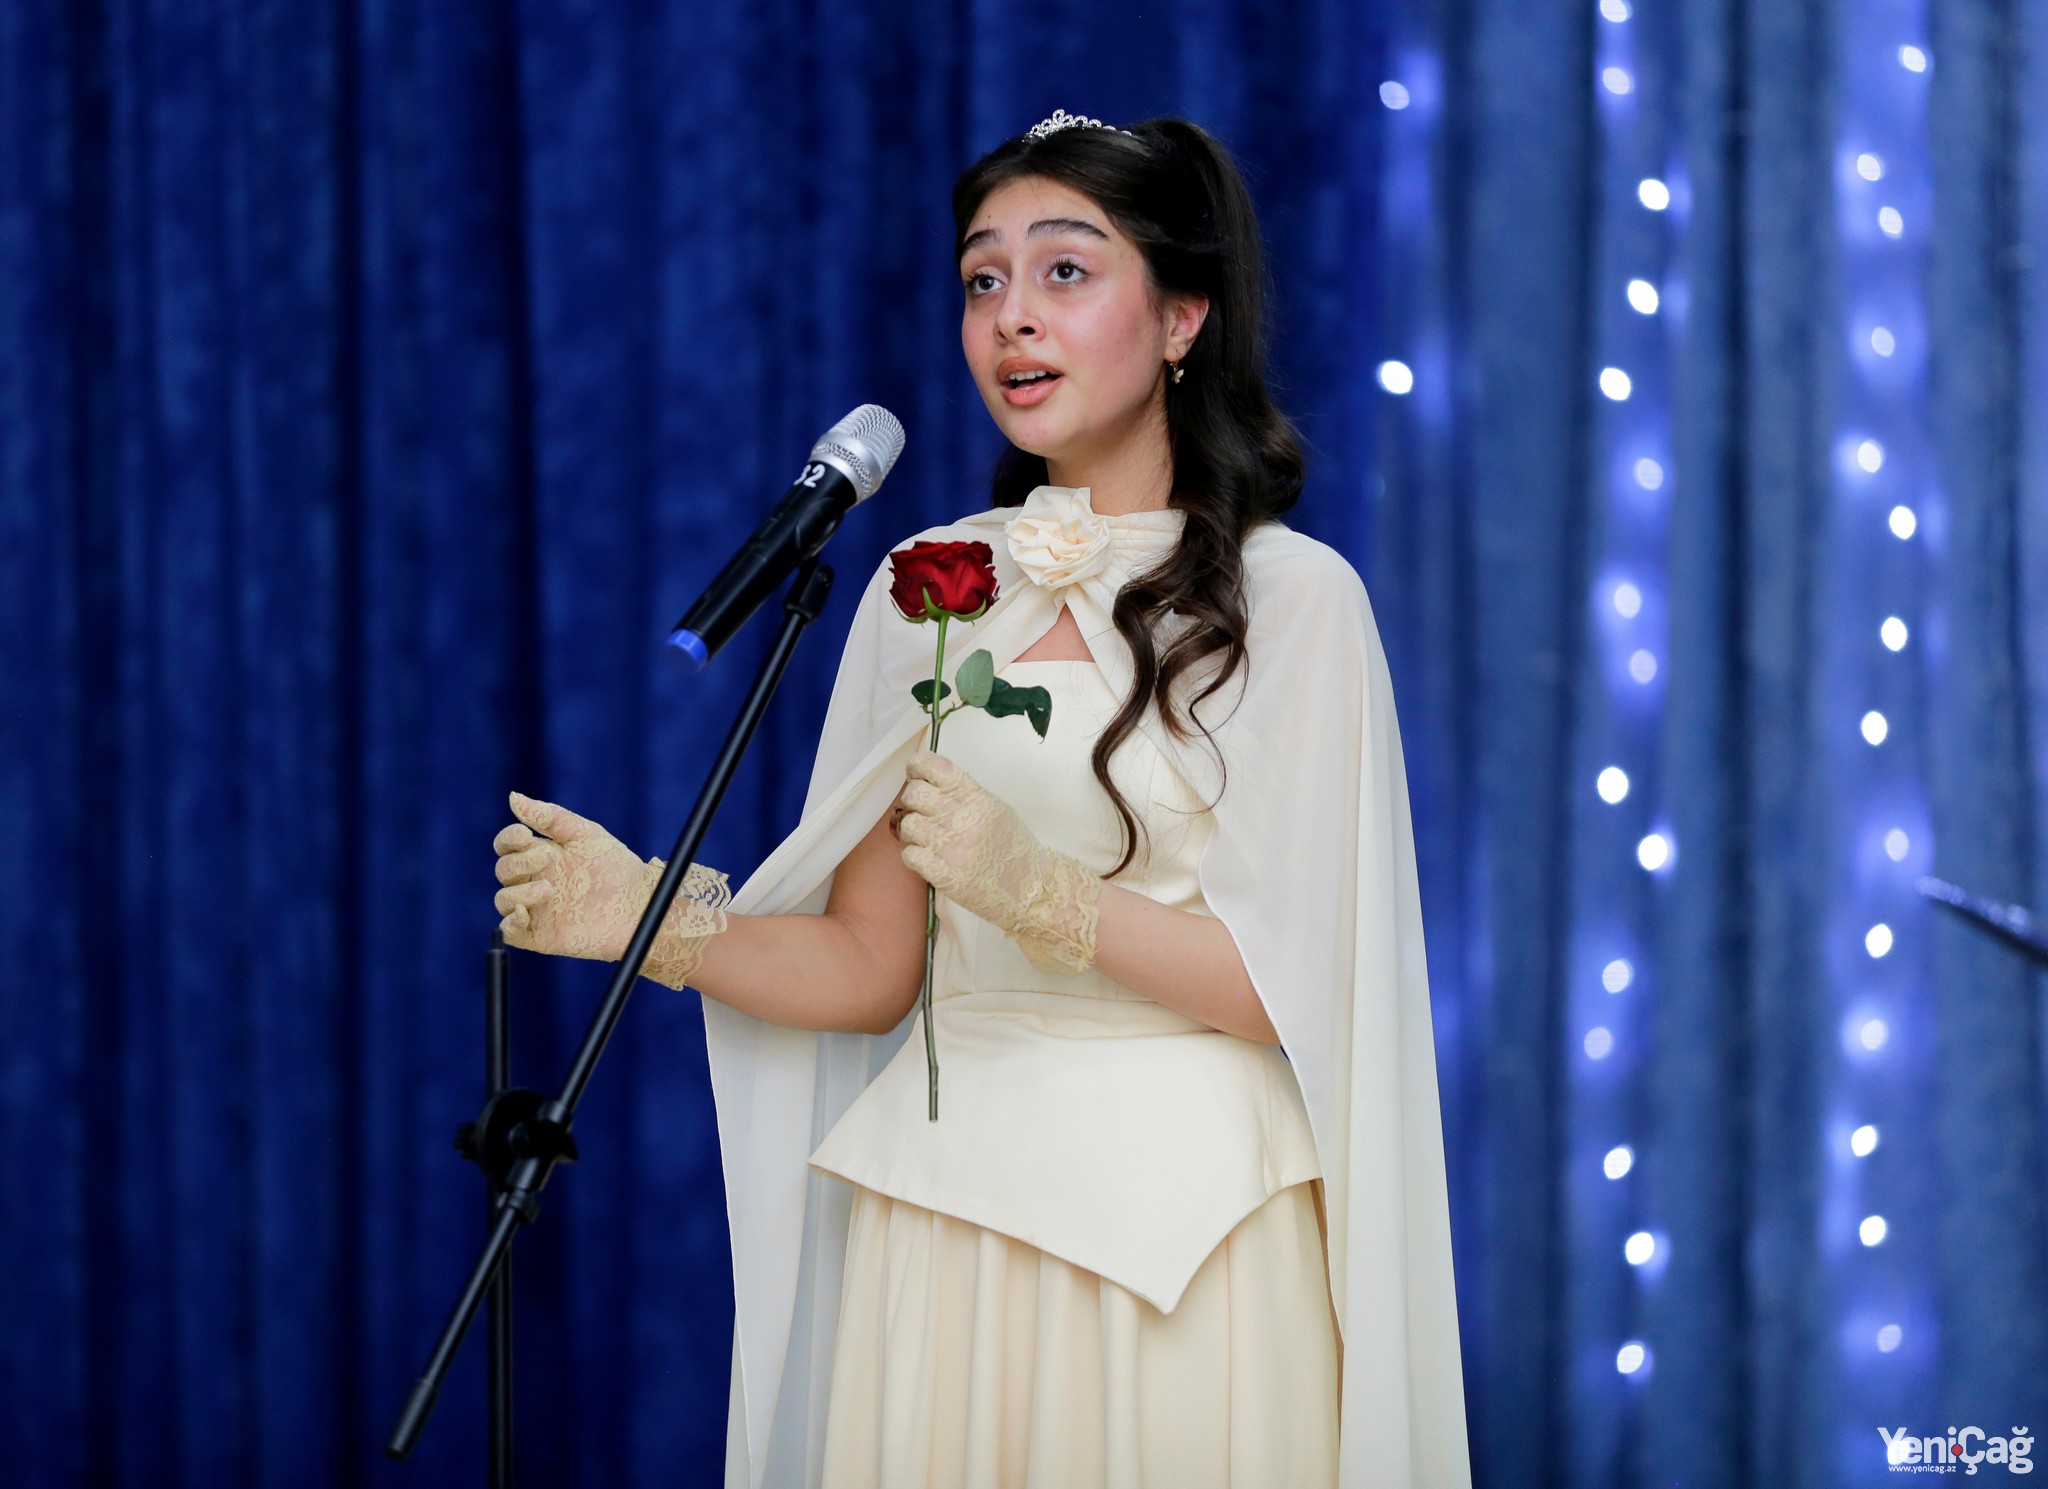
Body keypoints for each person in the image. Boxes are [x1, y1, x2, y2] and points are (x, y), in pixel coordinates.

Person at [491, 112, 1472, 1489]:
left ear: (1182, 316)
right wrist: (654, 921)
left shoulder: (1293, 598)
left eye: (1066, 270)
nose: (1013, 316)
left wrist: (1043, 893)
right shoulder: (928, 584)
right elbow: (871, 965)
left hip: (1184, 1234)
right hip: (944, 1214)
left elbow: (1306, 986)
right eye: (983, 279)